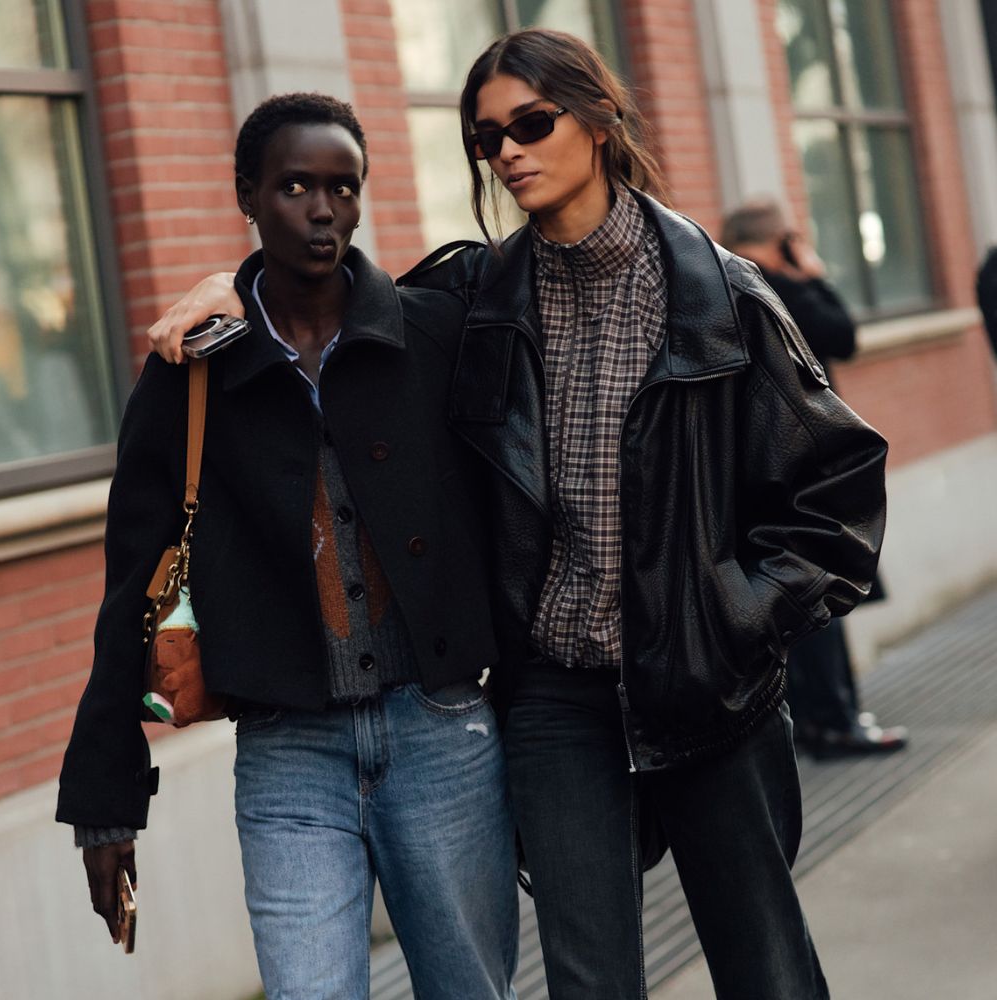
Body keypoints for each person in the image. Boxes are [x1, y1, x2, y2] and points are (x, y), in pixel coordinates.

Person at [147, 32, 888, 1000]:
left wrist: (737, 618)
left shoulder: (720, 295)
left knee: (765, 968)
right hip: (555, 697)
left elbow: (837, 489)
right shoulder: (475, 295)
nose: (507, 152)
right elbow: (330, 303)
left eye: (531, 124)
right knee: (586, 979)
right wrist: (231, 288)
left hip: (705, 682)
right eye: (486, 137)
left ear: (600, 120)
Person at [56, 93, 519, 1000]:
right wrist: (104, 799)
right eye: (295, 186)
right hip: (287, 754)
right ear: (248, 195)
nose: (322, 210)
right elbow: (132, 580)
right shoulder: (194, 368)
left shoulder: (432, 333)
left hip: (442, 735)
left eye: (344, 187)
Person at [721, 197, 908, 758]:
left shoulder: (718, 281)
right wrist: (814, 277)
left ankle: (811, 720)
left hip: (754, 477)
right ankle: (834, 722)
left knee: (785, 602)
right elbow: (843, 335)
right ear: (781, 240)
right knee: (815, 599)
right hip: (796, 474)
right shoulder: (772, 288)